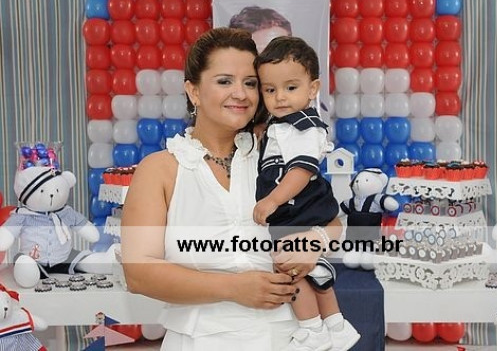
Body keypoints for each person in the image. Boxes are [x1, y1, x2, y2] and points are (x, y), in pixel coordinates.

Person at [121, 27, 342, 350]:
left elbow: (333, 223)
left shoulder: (278, 157)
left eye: (250, 83)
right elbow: (138, 274)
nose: (240, 94)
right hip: (199, 342)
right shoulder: (160, 169)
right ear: (193, 91)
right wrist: (233, 288)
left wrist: (315, 241)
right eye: (224, 81)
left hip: (291, 338)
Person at [253, 36, 361, 351]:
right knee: (304, 270)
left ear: (313, 89)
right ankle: (336, 326)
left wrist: (273, 200)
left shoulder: (303, 126)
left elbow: (300, 170)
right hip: (298, 211)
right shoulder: (280, 126)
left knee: (289, 269)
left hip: (298, 209)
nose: (279, 97)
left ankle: (313, 330)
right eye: (269, 90)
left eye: (290, 87)